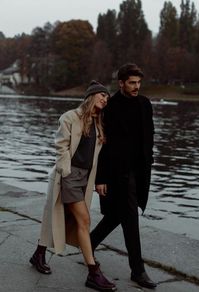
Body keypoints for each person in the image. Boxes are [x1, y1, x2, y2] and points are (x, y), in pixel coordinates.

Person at [29, 80, 117, 292]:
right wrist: (66, 172)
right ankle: (93, 272)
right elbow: (61, 147)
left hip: (85, 178)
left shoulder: (98, 122)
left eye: (107, 97)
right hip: (68, 175)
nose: (105, 99)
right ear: (91, 96)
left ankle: (38, 254)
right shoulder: (70, 117)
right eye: (102, 95)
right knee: (84, 220)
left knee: (61, 218)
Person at [90, 63, 157, 289]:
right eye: (132, 83)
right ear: (121, 83)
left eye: (138, 82)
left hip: (140, 171)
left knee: (117, 215)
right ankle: (138, 271)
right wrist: (100, 178)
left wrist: (149, 162)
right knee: (130, 219)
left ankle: (88, 244)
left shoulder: (145, 104)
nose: (136, 86)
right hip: (118, 172)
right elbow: (102, 145)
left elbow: (149, 136)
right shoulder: (111, 107)